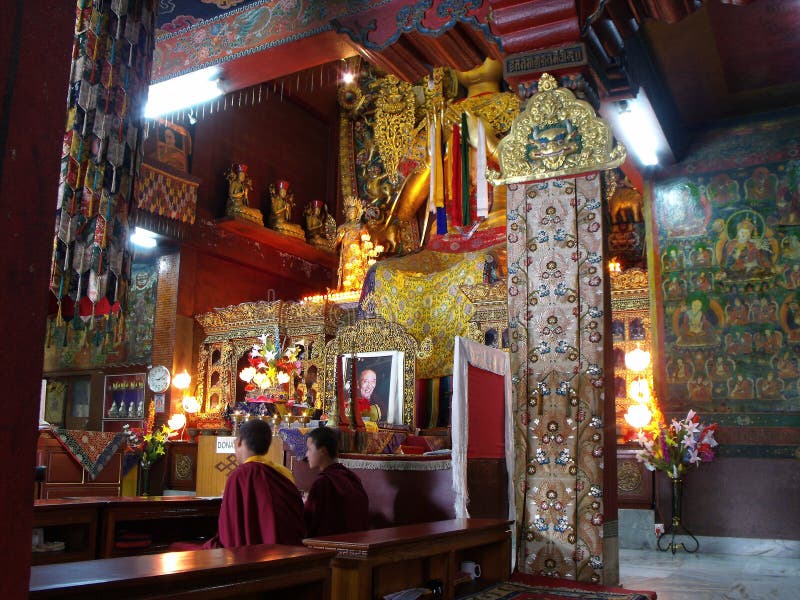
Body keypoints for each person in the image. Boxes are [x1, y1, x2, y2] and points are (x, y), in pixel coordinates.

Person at [202, 419, 304, 548]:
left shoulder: (241, 475)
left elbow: (229, 532)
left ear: (238, 442)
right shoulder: (284, 472)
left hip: (251, 553)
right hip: (288, 549)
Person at [303, 426, 369, 537]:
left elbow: (308, 522)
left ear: (323, 451)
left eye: (309, 449)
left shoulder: (323, 483)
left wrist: (305, 504)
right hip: (356, 542)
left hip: (328, 547)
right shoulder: (351, 477)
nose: (306, 455)